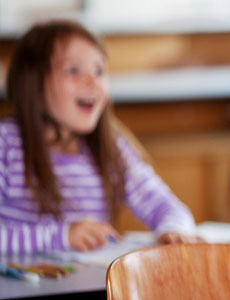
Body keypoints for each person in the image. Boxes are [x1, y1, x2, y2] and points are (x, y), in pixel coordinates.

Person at [0, 20, 199, 254]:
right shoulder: (6, 144)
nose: (92, 82)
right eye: (73, 70)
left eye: (99, 70)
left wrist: (173, 230)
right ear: (32, 81)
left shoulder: (111, 146)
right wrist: (61, 236)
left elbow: (166, 206)